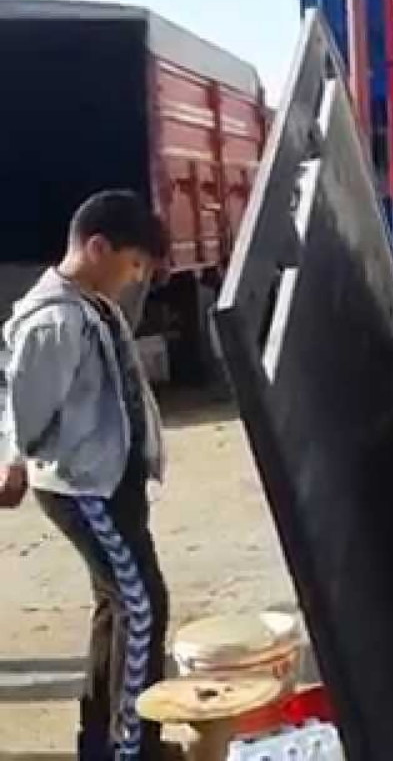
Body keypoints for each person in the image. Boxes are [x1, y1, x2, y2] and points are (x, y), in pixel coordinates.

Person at [0, 189, 170, 761]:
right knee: (141, 604)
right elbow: (21, 406)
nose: (132, 278)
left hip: (108, 481)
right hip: (83, 487)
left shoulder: (91, 303)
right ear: (98, 247)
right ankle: (130, 747)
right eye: (132, 265)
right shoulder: (52, 320)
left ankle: (100, 742)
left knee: (118, 604)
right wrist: (15, 461)